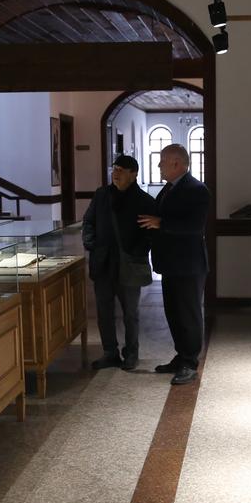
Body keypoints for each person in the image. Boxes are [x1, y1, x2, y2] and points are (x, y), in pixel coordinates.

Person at [138, 143, 210, 386]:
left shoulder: (197, 190)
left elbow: (194, 227)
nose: (158, 165)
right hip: (170, 264)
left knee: (188, 314)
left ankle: (190, 363)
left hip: (188, 265)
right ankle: (181, 356)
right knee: (173, 314)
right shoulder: (169, 188)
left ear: (177, 163)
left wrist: (161, 223)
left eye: (162, 161)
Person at [82, 154, 157, 371]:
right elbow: (89, 221)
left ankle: (131, 352)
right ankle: (110, 352)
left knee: (130, 312)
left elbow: (150, 234)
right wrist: (92, 245)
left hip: (129, 264)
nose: (116, 174)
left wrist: (138, 251)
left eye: (121, 170)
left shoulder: (145, 201)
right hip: (103, 262)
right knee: (104, 310)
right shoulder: (102, 195)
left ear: (133, 174)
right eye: (114, 169)